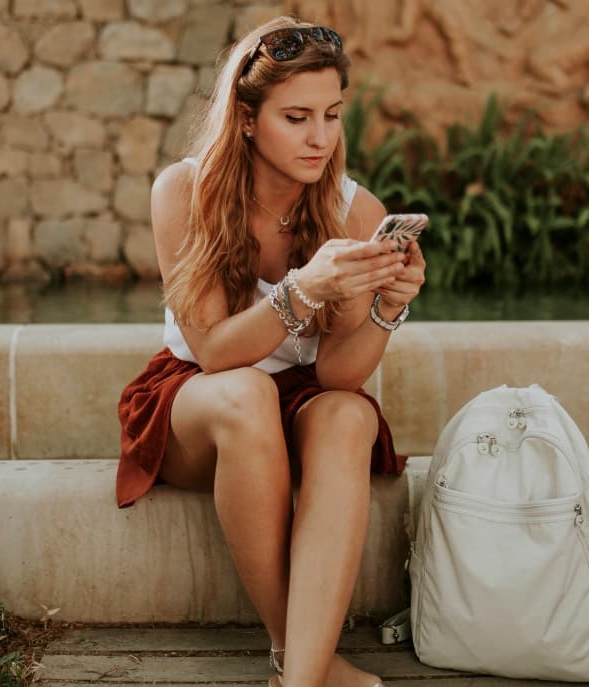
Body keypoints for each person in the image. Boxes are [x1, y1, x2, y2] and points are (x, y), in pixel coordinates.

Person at [115, 16, 426, 687]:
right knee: (249, 393)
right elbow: (214, 348)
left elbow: (340, 374)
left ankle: (300, 678)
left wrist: (387, 308)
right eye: (297, 117)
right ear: (248, 119)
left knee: (350, 415)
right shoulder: (184, 192)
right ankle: (301, 651)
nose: (320, 138)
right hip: (201, 396)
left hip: (302, 399)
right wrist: (301, 288)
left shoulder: (354, 210)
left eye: (332, 115)